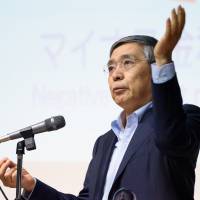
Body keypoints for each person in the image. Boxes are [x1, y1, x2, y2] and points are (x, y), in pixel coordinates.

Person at [0, 5, 200, 200]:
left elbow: (170, 138)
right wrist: (32, 186)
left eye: (127, 63)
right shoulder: (104, 143)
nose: (116, 74)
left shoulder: (186, 117)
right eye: (111, 67)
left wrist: (163, 60)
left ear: (153, 69)